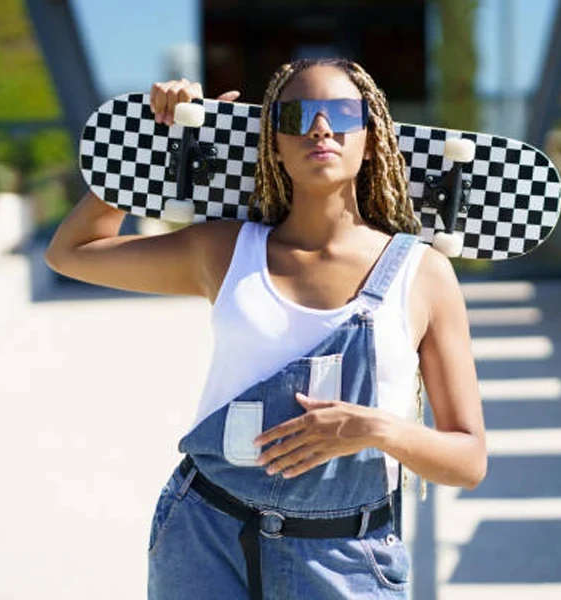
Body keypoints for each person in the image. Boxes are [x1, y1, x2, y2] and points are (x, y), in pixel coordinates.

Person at [45, 57, 486, 599]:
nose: (320, 127)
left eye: (342, 113)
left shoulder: (424, 274)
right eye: (296, 115)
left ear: (371, 138)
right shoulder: (227, 251)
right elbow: (72, 253)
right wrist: (153, 140)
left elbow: (468, 461)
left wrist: (375, 429)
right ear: (272, 142)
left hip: (345, 558)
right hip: (205, 537)